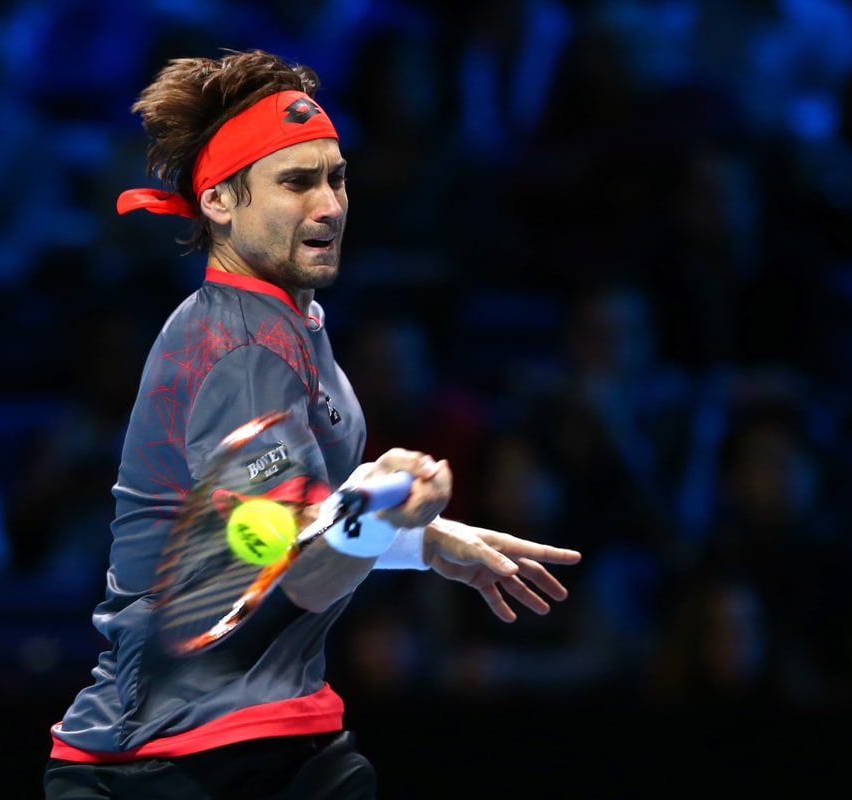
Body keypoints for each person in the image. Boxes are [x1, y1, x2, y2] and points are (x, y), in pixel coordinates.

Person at [43, 49, 583, 800]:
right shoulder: (240, 349)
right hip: (163, 764)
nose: (329, 205)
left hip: (272, 738)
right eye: (296, 182)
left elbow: (256, 533)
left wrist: (422, 541)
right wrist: (376, 506)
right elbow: (289, 570)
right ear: (220, 201)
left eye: (336, 177)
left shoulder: (288, 322)